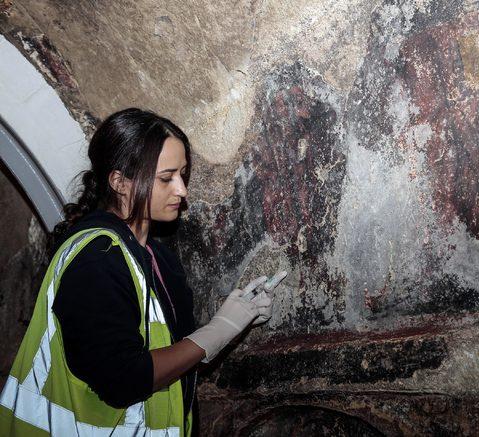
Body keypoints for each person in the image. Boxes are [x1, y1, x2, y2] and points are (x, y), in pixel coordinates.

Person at [0, 108, 286, 436]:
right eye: (166, 178)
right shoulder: (97, 258)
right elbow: (123, 380)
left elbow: (175, 355)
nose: (182, 190)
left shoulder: (159, 259)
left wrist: (239, 318)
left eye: (183, 174)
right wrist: (218, 331)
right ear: (120, 182)